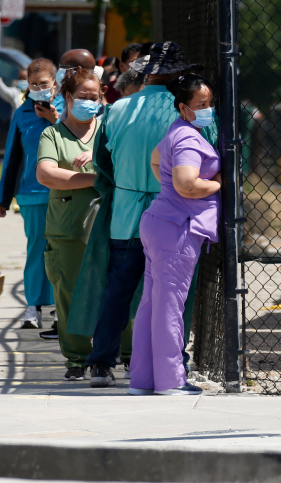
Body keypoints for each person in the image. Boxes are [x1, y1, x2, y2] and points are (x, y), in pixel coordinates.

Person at [72, 42, 213, 389]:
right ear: (178, 74)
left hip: (126, 212)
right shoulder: (185, 110)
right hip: (174, 215)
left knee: (118, 289)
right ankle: (173, 363)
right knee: (171, 295)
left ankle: (101, 363)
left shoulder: (117, 110)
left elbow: (102, 165)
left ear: (145, 72)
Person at [130, 74, 220, 396]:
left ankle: (142, 380)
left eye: (209, 103)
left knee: (152, 304)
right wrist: (218, 184)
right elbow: (187, 184)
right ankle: (170, 381)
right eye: (201, 105)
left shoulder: (176, 131)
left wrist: (171, 189)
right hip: (177, 229)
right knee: (169, 306)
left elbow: (156, 160)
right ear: (184, 107)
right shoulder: (188, 139)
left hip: (161, 222)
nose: (208, 109)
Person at [35, 67, 104, 380]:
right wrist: (96, 179)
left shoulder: (108, 130)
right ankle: (77, 358)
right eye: (83, 97)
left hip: (109, 225)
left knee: (118, 290)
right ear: (67, 98)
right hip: (68, 229)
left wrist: (93, 164)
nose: (90, 102)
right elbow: (47, 174)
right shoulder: (53, 134)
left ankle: (123, 353)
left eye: (95, 97)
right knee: (70, 294)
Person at [0, 59, 57, 330]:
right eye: (34, 84)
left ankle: (60, 304)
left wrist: (54, 119)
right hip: (31, 192)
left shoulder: (67, 111)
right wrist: (3, 198)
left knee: (61, 250)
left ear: (54, 84)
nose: (38, 88)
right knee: (37, 248)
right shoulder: (22, 113)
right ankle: (33, 306)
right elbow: (12, 157)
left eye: (43, 84)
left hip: (64, 191)